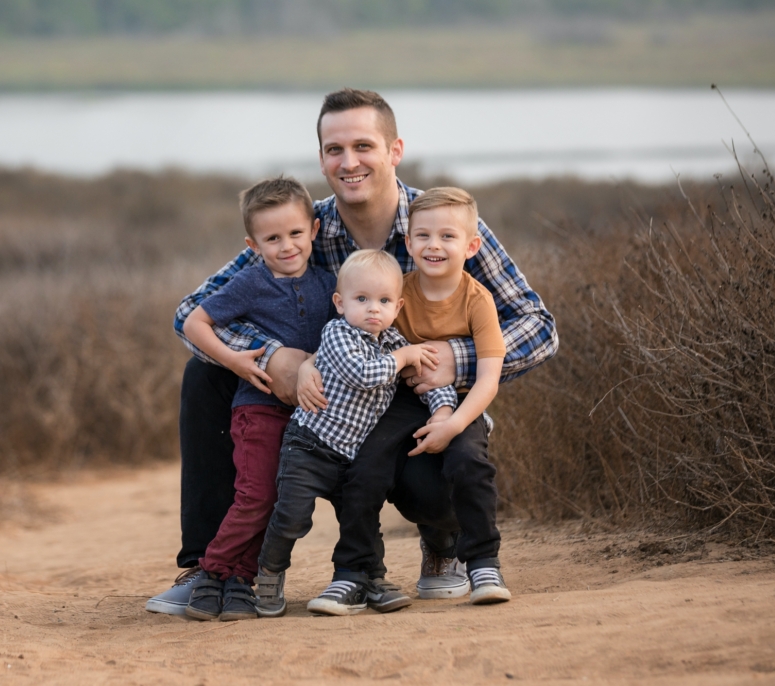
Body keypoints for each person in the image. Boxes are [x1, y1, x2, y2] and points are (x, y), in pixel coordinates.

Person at [145, 88, 557, 615]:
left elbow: (538, 326)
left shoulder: (439, 224)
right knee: (204, 377)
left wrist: (456, 357)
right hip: (324, 397)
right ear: (321, 159)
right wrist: (273, 356)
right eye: (334, 149)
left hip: (410, 401)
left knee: (438, 477)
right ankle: (211, 567)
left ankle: (444, 544)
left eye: (364, 145)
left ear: (394, 150)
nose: (349, 161)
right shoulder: (301, 228)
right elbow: (192, 313)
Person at [314, 187, 511, 613]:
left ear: (472, 246)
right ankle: (354, 573)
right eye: (422, 236)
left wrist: (454, 424)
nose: (433, 246)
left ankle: (482, 564)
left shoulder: (479, 301)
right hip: (400, 399)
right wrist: (312, 365)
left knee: (467, 462)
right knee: (364, 470)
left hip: (460, 401)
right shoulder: (394, 295)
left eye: (447, 236)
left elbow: (489, 379)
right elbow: (349, 339)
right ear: (408, 242)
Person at [253, 249, 454, 618]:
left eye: (383, 301)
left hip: (351, 456)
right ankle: (269, 571)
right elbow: (364, 374)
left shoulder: (396, 344)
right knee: (293, 517)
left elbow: (429, 377)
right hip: (309, 447)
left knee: (362, 519)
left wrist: (444, 409)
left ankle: (371, 578)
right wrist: (404, 358)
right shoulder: (337, 334)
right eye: (361, 299)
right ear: (340, 303)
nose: (373, 309)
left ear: (398, 307)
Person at [175, 176, 336, 621]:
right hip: (259, 407)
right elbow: (194, 322)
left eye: (296, 234)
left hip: (309, 415)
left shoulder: (330, 284)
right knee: (255, 495)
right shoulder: (250, 282)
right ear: (253, 243)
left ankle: (240, 580)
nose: (287, 246)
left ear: (314, 231)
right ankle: (212, 572)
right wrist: (236, 361)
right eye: (272, 238)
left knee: (285, 501)